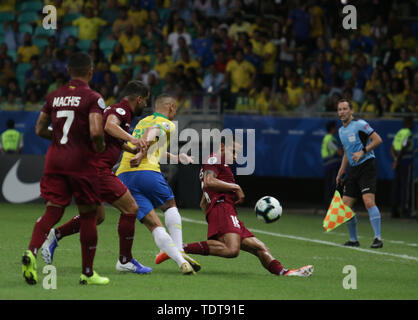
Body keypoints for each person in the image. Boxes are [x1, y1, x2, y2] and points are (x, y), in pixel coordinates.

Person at [156, 136, 313, 277]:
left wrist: (214, 218)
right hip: (223, 208)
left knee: (259, 247)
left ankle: (284, 273)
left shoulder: (220, 164)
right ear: (223, 146)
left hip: (226, 211)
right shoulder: (215, 158)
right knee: (232, 250)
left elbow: (203, 201)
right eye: (234, 151)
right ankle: (178, 249)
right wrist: (235, 188)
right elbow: (210, 181)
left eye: (238, 153)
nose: (236, 157)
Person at [41, 80, 153, 274]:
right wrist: (134, 138)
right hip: (98, 169)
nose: (146, 105)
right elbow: (110, 127)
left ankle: (55, 234)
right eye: (146, 101)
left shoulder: (117, 110)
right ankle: (125, 260)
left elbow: (112, 137)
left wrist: (132, 149)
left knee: (97, 216)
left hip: (90, 167)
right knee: (131, 208)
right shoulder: (121, 111)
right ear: (139, 99)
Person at [21, 52, 109, 286]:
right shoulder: (93, 98)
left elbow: (39, 129)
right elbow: (96, 132)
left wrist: (59, 137)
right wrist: (98, 148)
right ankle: (88, 273)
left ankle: (31, 251)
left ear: (68, 71)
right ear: (91, 72)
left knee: (53, 210)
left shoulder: (54, 96)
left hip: (54, 160)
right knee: (90, 214)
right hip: (81, 161)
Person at [116, 94, 200, 275]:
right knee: (170, 205)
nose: (175, 113)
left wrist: (176, 157)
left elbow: (148, 143)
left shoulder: (142, 121)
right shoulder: (167, 123)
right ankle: (180, 250)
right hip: (146, 172)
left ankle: (180, 262)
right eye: (175, 109)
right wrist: (140, 155)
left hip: (124, 175)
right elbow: (152, 133)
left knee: (154, 224)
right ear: (170, 107)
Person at [335, 99, 384, 249]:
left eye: (344, 109)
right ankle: (353, 240)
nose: (342, 112)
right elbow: (346, 153)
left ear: (351, 111)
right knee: (345, 206)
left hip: (367, 165)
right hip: (353, 170)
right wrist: (341, 171)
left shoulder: (360, 125)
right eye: (339, 109)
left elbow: (378, 140)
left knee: (368, 201)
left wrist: (363, 152)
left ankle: (378, 238)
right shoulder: (341, 131)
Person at [390, 116, 415, 218]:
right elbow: (404, 148)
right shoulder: (408, 133)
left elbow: (391, 148)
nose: (413, 125)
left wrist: (395, 159)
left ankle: (394, 210)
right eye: (412, 123)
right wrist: (397, 160)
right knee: (406, 187)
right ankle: (405, 210)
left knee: (397, 186)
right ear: (409, 123)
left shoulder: (399, 133)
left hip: (398, 163)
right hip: (405, 163)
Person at [321, 121, 342, 210]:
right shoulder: (329, 139)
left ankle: (329, 208)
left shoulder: (328, 138)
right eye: (335, 127)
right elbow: (338, 152)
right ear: (332, 128)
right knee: (331, 187)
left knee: (330, 187)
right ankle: (330, 209)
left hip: (329, 166)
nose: (337, 129)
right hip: (332, 166)